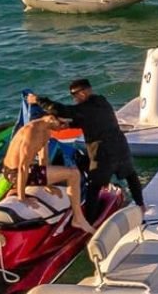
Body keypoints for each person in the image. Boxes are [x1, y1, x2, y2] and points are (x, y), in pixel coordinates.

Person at [29, 80, 145, 216]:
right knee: (131, 176)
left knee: (93, 187)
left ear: (83, 93)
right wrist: (70, 125)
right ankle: (141, 205)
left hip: (103, 154)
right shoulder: (102, 101)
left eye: (75, 95)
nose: (74, 99)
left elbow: (60, 109)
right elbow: (90, 120)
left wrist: (37, 100)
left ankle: (90, 220)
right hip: (121, 147)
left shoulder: (84, 108)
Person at [0, 113, 94, 232]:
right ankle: (78, 219)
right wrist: (22, 197)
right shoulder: (32, 132)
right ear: (51, 119)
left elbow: (43, 160)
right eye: (62, 124)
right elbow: (23, 167)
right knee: (73, 174)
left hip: (23, 170)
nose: (63, 127)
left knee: (65, 172)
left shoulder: (45, 129)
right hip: (14, 173)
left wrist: (47, 184)